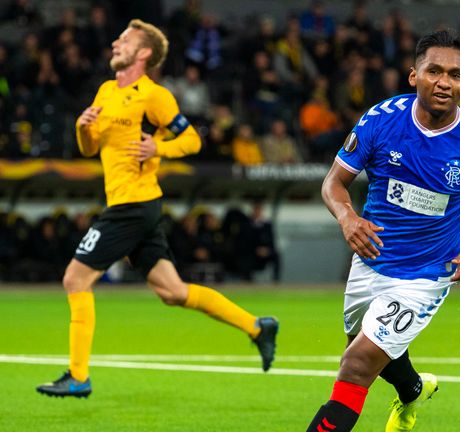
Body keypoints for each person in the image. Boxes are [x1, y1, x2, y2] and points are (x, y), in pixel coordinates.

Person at [35, 19, 278, 399]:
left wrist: (158, 149)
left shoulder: (154, 96)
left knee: (74, 279)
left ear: (144, 53)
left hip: (133, 205)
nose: (116, 42)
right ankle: (258, 326)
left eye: (125, 39)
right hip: (130, 204)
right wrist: (83, 128)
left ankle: (78, 376)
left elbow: (194, 140)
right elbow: (89, 148)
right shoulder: (104, 90)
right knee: (173, 292)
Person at [305, 30, 460, 432]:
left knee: (357, 364)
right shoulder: (381, 119)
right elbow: (333, 183)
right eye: (434, 71)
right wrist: (347, 217)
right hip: (372, 262)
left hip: (426, 276)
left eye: (456, 75)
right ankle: (413, 391)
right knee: (372, 355)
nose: (444, 82)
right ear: (414, 76)